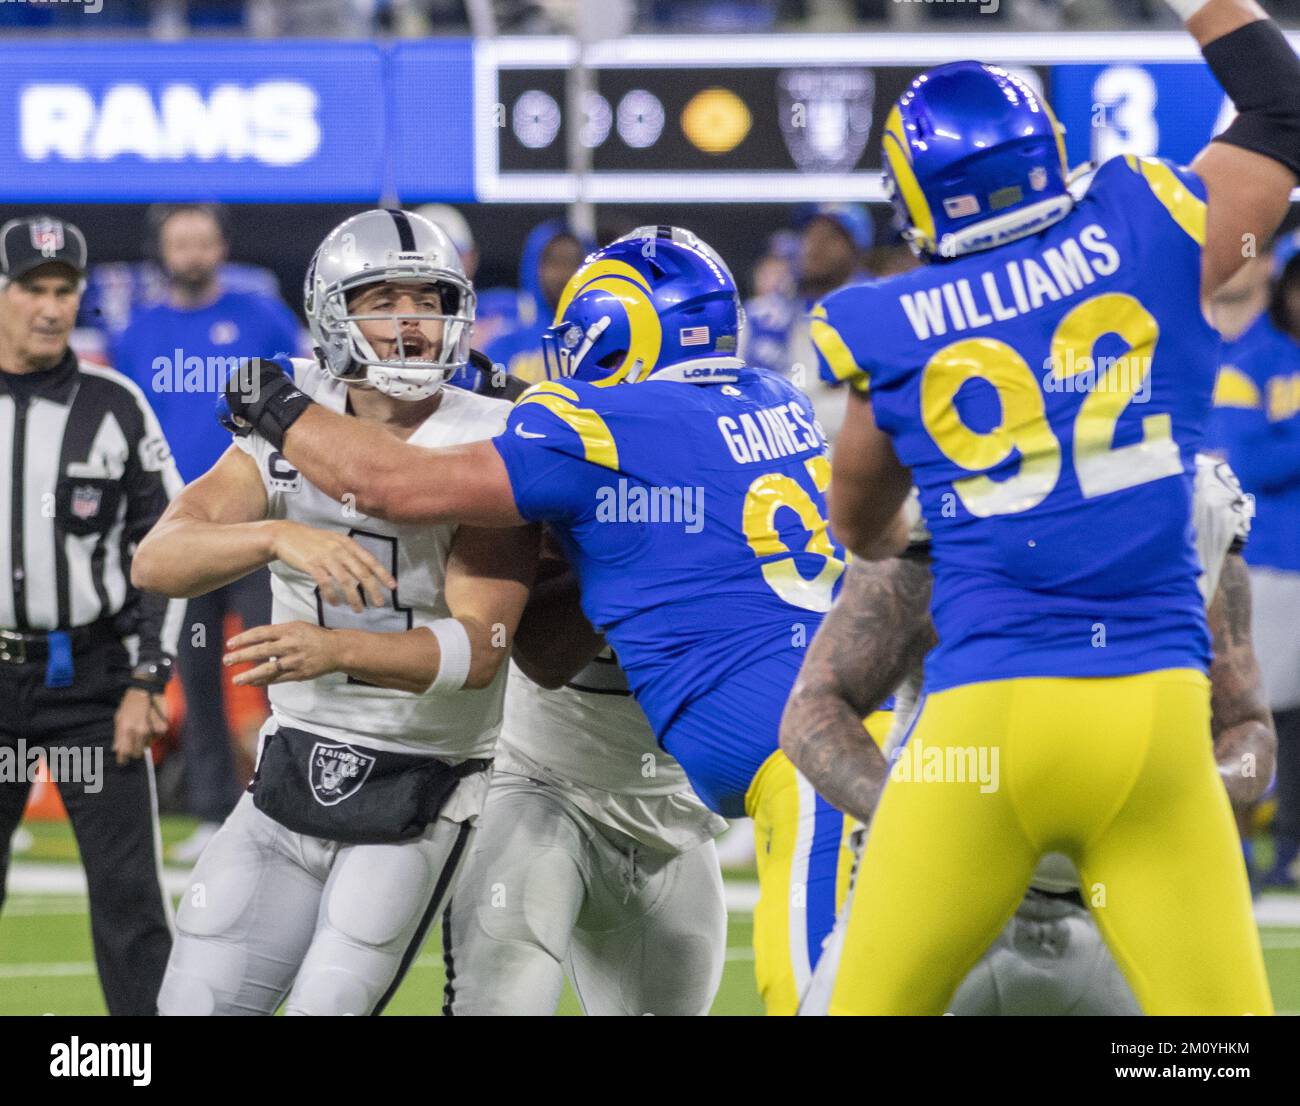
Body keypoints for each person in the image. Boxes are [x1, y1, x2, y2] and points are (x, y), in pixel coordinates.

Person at [221, 224, 900, 1015]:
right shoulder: (773, 399)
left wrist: (271, 401)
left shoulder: (592, 430)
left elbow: (389, 485)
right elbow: (544, 647)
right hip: (551, 779)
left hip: (683, 798)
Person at [809, 0, 1299, 1014]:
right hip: (1155, 724)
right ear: (1049, 153)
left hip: (984, 721)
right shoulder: (1146, 227)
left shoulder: (883, 321)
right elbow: (1283, 106)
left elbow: (855, 522)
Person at [135, 208, 536, 1016]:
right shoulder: (294, 410)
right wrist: (275, 533)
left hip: (423, 780)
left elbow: (480, 648)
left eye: (428, 300)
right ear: (331, 313)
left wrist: (335, 648)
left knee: (330, 1001)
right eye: (382, 301)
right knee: (196, 1000)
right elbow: (157, 559)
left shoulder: (495, 430)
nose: (411, 323)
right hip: (288, 768)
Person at [784, 455, 1275, 1014]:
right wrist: (915, 820)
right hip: (944, 901)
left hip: (1124, 913)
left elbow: (1248, 727)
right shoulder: (954, 493)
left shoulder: (1196, 497)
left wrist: (1189, 795)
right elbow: (815, 710)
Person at [0, 215, 182, 1016]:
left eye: (63, 290)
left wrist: (149, 677)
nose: (49, 307)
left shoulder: (116, 405)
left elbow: (169, 549)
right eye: (31, 289)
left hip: (94, 693)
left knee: (130, 904)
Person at [443, 556, 728, 1016]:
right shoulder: (563, 490)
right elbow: (546, 658)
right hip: (533, 776)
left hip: (672, 805)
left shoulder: (752, 503)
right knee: (501, 999)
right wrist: (638, 545)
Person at [114, 202, 304, 862]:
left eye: (202, 240)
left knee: (279, 667)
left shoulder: (262, 319)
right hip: (180, 531)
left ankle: (288, 797)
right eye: (180, 241)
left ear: (222, 247)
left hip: (260, 525)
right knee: (192, 675)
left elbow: (307, 408)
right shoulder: (136, 334)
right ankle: (209, 809)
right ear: (162, 252)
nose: (192, 252)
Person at [1209, 232, 1300, 888]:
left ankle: (1287, 848)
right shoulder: (1252, 363)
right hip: (1272, 566)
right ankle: (1240, 849)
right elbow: (1251, 460)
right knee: (1258, 712)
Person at [481, 220, 588, 383]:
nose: (564, 274)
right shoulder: (505, 345)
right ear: (533, 266)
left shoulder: (599, 341)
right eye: (554, 262)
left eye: (573, 262)